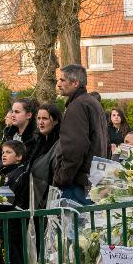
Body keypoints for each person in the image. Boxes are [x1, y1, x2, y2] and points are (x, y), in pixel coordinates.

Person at [53, 64, 108, 205]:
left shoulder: (78, 106)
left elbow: (75, 147)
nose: (58, 84)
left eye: (62, 80)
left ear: (75, 83)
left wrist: (62, 177)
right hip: (91, 179)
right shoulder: (91, 102)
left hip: (77, 184)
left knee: (74, 225)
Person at [0, 140, 29, 264]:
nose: (3, 155)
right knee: (4, 256)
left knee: (13, 258)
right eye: (3, 152)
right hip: (4, 224)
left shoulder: (19, 174)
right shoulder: (7, 173)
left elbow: (9, 199)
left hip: (14, 225)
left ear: (19, 157)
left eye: (8, 152)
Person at [30, 103, 62, 208]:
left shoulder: (59, 145)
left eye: (45, 118)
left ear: (56, 121)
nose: (41, 122)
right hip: (35, 201)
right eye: (38, 118)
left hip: (49, 203)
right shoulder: (38, 142)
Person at [0, 98, 37, 173]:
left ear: (29, 115)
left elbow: (30, 163)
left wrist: (10, 169)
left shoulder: (35, 137)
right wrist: (2, 167)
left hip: (23, 182)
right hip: (6, 180)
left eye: (17, 112)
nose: (13, 115)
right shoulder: (9, 134)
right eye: (12, 111)